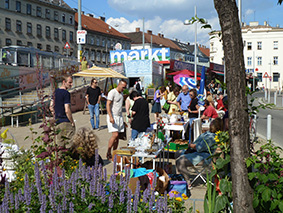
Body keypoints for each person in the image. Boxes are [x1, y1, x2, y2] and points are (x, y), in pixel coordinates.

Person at [176, 118, 223, 188]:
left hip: (205, 156)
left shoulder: (213, 137)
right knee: (177, 153)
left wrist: (191, 145)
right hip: (198, 153)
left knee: (181, 161)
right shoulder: (208, 133)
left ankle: (187, 182)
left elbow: (199, 148)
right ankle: (180, 177)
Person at [50, 75, 75, 148]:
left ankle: (60, 159)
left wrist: (55, 116)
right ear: (64, 82)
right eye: (69, 82)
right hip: (66, 121)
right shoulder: (66, 93)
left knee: (60, 145)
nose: (71, 84)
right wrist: (72, 121)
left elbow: (51, 107)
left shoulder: (55, 92)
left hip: (57, 122)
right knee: (69, 144)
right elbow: (67, 109)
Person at [106, 79, 127, 160]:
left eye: (125, 87)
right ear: (119, 84)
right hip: (113, 116)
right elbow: (108, 104)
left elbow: (119, 107)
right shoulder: (112, 92)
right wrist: (110, 116)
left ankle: (114, 153)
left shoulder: (121, 94)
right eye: (123, 87)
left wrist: (123, 120)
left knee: (118, 137)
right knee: (115, 135)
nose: (123, 89)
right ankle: (108, 151)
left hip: (119, 117)